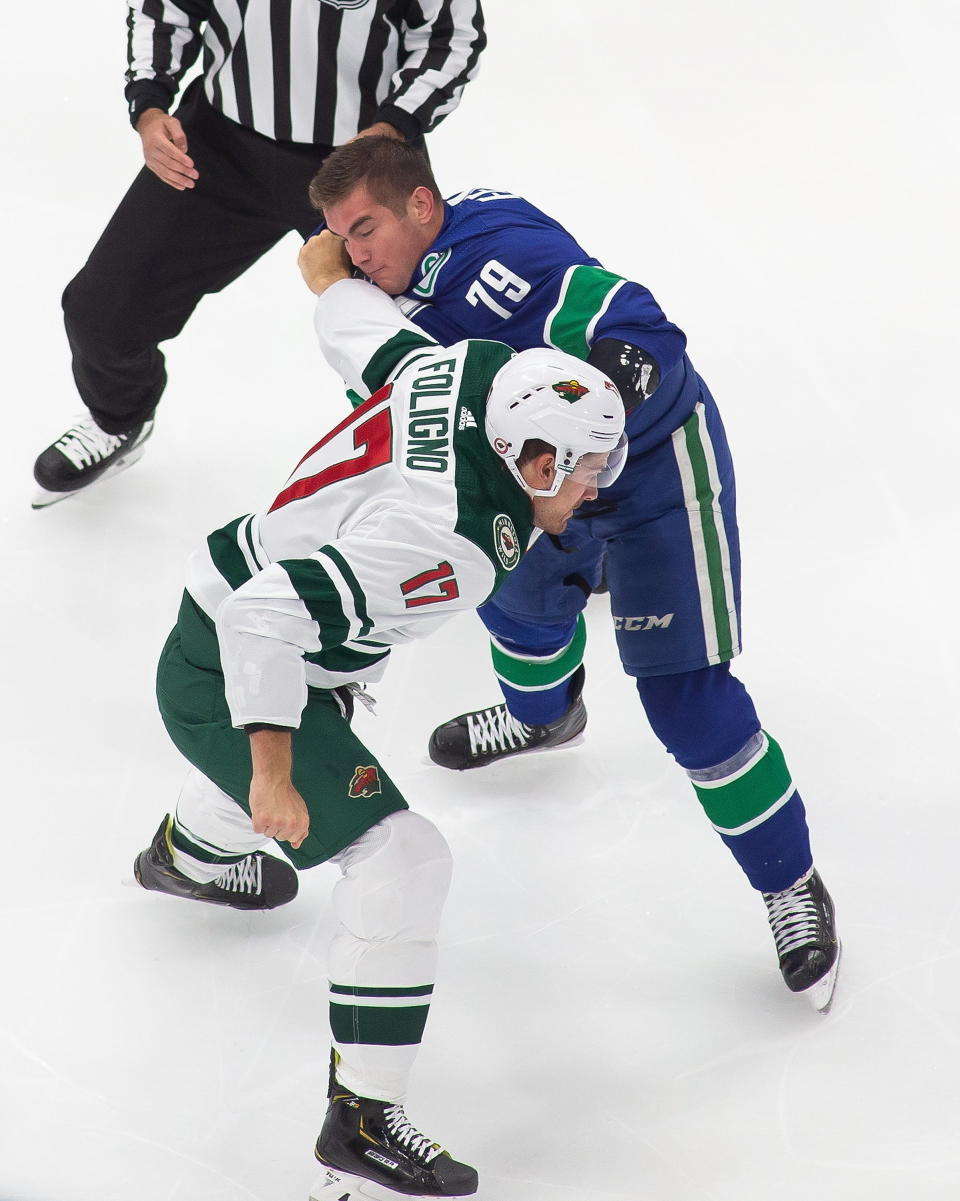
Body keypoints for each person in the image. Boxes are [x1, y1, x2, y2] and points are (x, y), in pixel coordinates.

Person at [132, 234, 626, 1199]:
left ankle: (184, 855)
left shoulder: (462, 371)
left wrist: (326, 275)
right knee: (403, 857)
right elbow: (267, 617)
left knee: (318, 764)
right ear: (530, 456)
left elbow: (362, 329)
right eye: (584, 469)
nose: (595, 487)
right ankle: (359, 1120)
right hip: (226, 655)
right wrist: (271, 769)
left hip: (249, 613)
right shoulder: (448, 546)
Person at [302, 136, 842, 1013]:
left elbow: (637, 325)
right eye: (341, 241)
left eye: (365, 230)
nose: (356, 256)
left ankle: (790, 881)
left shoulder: (495, 259)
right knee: (521, 622)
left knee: (688, 703)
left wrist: (598, 418)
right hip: (533, 482)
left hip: (653, 465)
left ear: (424, 208)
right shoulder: (383, 289)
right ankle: (544, 720)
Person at [32, 0, 486, 509]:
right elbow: (164, 10)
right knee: (103, 308)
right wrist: (150, 102)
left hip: (362, 160)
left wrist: (393, 126)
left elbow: (451, 36)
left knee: (429, 326)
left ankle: (460, 469)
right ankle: (117, 418)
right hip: (216, 146)